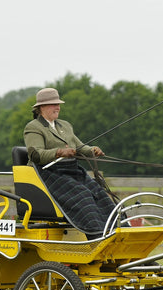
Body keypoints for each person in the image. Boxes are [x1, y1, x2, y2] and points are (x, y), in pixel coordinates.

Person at [23, 87, 116, 238]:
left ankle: (117, 231)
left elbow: (79, 147)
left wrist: (92, 150)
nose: (57, 107)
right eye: (53, 104)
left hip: (71, 170)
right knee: (84, 195)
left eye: (58, 104)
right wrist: (59, 152)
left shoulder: (65, 125)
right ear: (41, 108)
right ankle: (96, 235)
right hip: (49, 173)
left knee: (99, 193)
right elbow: (35, 155)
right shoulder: (33, 127)